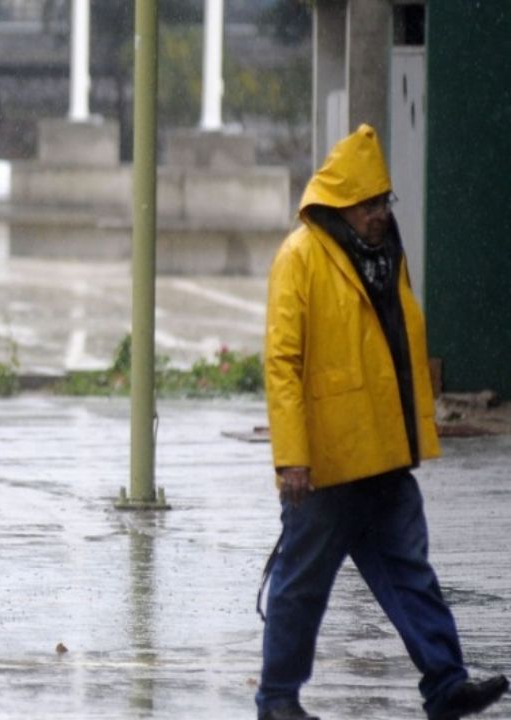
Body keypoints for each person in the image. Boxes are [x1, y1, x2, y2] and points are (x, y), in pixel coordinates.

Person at [257, 124, 507, 720]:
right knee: (302, 584)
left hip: (384, 456)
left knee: (409, 572)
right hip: (328, 463)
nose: (380, 214)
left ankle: (446, 683)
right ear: (342, 204)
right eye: (369, 204)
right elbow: (283, 363)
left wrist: (414, 433)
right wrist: (292, 457)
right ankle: (278, 699)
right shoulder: (301, 257)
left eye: (384, 201)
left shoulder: (383, 257)